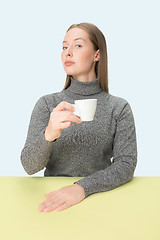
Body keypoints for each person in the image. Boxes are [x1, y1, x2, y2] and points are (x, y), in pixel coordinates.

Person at [20, 22, 138, 213]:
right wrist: (49, 134)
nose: (68, 52)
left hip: (101, 199)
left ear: (97, 55)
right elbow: (28, 165)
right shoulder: (47, 104)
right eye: (64, 46)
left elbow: (126, 164)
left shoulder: (119, 107)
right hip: (53, 201)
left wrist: (82, 187)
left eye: (78, 45)